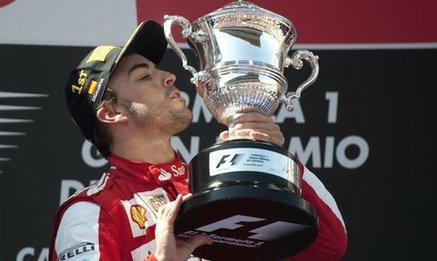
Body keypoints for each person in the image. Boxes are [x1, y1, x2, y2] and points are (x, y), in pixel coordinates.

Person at [49, 20, 347, 261]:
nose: (168, 76)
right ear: (111, 112)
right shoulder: (94, 212)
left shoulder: (216, 183)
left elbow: (326, 247)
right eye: (143, 76)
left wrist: (273, 157)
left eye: (157, 69)